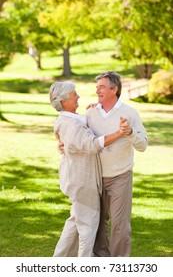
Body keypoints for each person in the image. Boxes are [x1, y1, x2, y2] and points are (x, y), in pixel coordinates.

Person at [49, 81, 125, 257]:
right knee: (87, 229)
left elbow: (76, 137)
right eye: (74, 94)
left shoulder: (70, 119)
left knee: (75, 223)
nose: (78, 96)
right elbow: (91, 144)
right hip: (82, 182)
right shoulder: (70, 124)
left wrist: (94, 111)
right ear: (63, 101)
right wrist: (119, 133)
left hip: (78, 179)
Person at [86, 71, 148, 257]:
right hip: (95, 175)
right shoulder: (90, 112)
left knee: (120, 225)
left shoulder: (130, 113)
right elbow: (84, 140)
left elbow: (143, 145)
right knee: (97, 222)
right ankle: (100, 261)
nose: (97, 90)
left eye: (102, 87)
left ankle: (120, 265)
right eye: (97, 87)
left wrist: (129, 133)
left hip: (120, 175)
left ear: (114, 89)